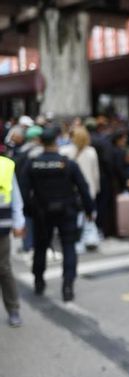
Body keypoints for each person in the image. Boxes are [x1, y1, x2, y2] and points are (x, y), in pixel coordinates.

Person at [19, 126, 95, 302]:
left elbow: (23, 191)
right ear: (57, 141)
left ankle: (39, 281)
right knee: (69, 247)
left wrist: (29, 211)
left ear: (40, 142)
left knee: (40, 247)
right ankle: (68, 285)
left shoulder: (33, 164)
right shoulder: (68, 164)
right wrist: (90, 210)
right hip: (67, 210)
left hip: (42, 212)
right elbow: (84, 189)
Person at [0, 154, 25, 326]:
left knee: (4, 269)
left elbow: (15, 197)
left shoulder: (5, 165)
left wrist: (18, 223)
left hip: (1, 228)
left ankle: (13, 308)